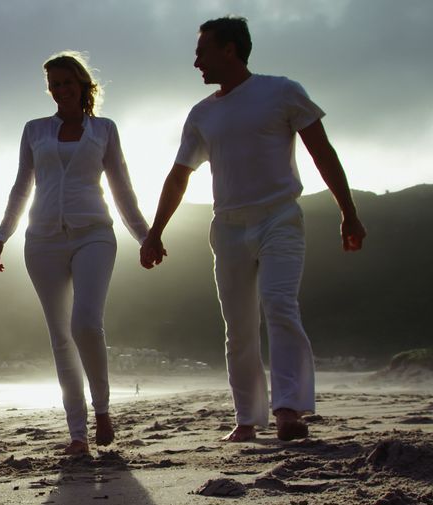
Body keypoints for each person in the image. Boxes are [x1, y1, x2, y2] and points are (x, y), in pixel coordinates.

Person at [139, 16, 366, 442]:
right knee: (239, 326)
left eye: (201, 51)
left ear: (229, 49)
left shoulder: (281, 91)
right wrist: (155, 232)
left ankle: (288, 411)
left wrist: (348, 212)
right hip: (227, 227)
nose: (195, 63)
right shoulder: (202, 113)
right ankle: (247, 418)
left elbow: (322, 152)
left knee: (280, 306)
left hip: (279, 216)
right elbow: (178, 176)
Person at [0, 51, 150, 455]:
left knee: (85, 324)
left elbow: (122, 187)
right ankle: (77, 433)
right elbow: (21, 187)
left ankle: (102, 410)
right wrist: (2, 235)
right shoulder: (34, 130)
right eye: (54, 84)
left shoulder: (104, 130)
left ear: (82, 85)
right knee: (60, 337)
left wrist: (145, 235)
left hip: (94, 233)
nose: (60, 90)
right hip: (41, 239)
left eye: (66, 82)